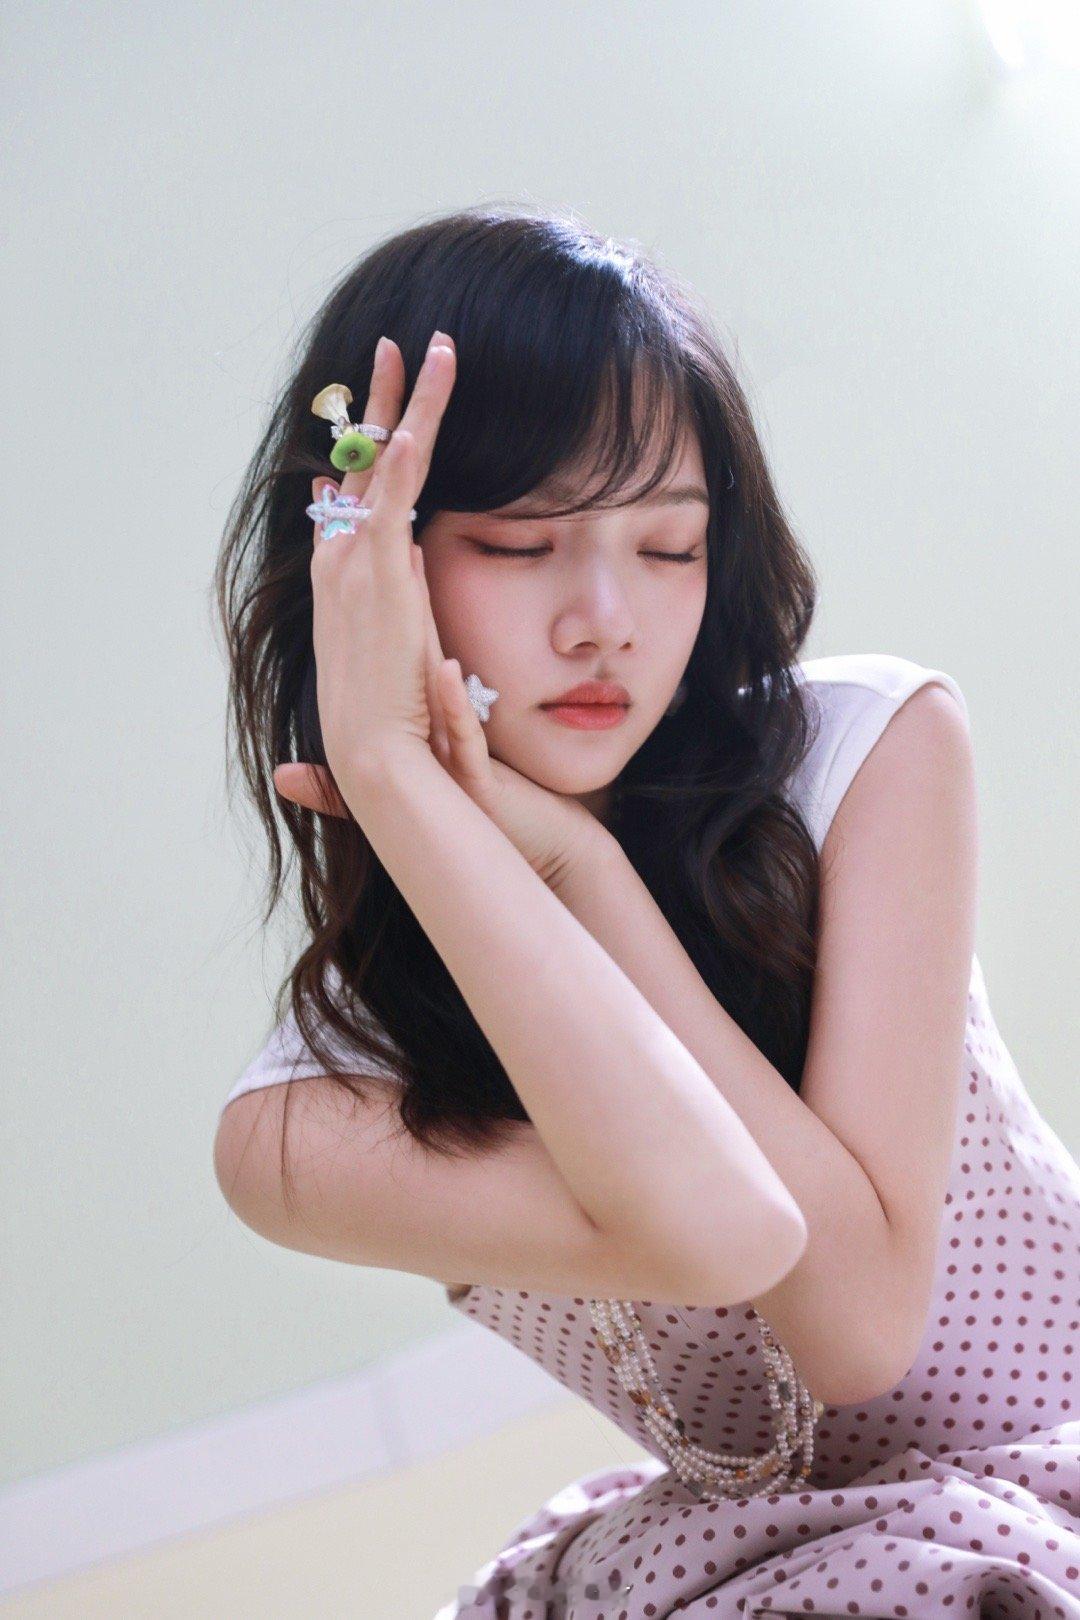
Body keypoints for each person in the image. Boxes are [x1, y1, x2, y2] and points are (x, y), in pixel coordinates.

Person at [212, 204, 1080, 1618]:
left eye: (670, 547)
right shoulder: (304, 1120)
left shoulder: (867, 751)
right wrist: (394, 774)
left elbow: (856, 1320)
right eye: (519, 543)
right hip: (769, 1568)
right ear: (365, 566)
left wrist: (582, 868)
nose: (606, 618)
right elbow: (729, 1235)